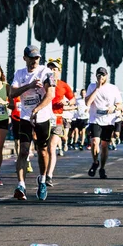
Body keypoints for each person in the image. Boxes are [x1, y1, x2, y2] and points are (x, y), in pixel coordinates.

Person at [9, 45, 56, 201]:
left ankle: (42, 180)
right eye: (31, 57)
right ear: (25, 58)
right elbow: (13, 93)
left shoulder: (46, 73)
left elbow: (50, 95)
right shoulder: (19, 73)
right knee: (23, 150)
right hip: (25, 117)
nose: (34, 60)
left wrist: (37, 110)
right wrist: (29, 86)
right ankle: (21, 185)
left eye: (37, 58)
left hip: (42, 117)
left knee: (42, 151)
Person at [85, 67, 123, 179]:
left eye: (103, 75)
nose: (101, 77)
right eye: (99, 75)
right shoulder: (91, 86)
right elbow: (87, 102)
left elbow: (121, 105)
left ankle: (102, 168)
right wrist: (97, 88)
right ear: (96, 76)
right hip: (95, 119)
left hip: (108, 120)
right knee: (94, 142)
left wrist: (115, 107)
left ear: (107, 76)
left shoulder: (113, 88)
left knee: (104, 145)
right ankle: (95, 162)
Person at [46, 58, 74, 187]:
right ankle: (43, 172)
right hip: (43, 118)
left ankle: (49, 175)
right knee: (43, 149)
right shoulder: (43, 83)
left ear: (59, 71)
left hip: (57, 119)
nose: (52, 71)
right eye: (50, 68)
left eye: (54, 69)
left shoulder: (63, 85)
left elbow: (72, 99)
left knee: (52, 147)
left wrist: (66, 102)